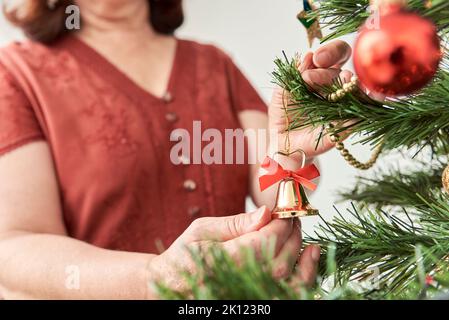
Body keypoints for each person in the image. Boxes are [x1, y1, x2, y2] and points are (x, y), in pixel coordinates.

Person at [0, 0, 354, 299]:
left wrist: (289, 148)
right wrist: (154, 277)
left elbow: (275, 191)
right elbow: (14, 246)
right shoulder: (18, 74)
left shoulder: (213, 64)